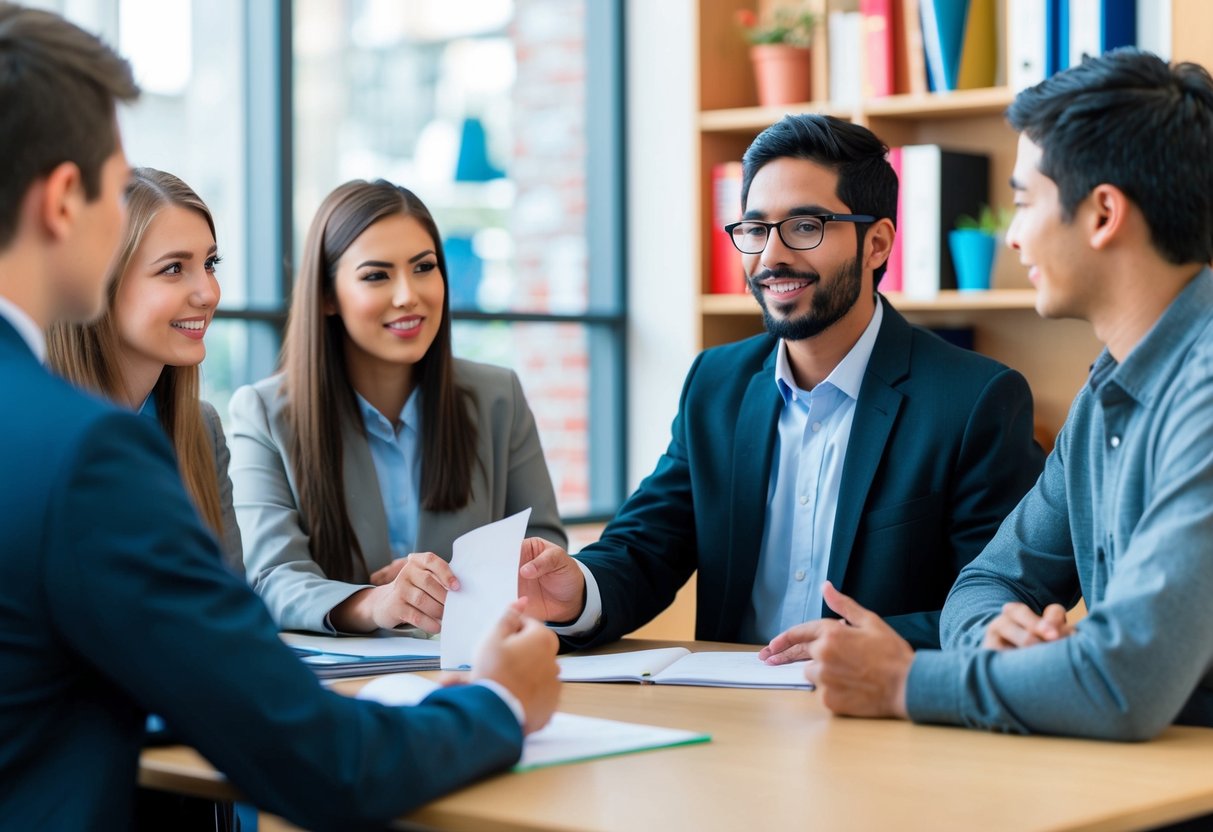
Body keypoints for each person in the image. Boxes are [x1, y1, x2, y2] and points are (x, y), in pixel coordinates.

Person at [0, 5, 559, 829]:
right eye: (114, 194)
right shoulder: (82, 451)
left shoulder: (139, 435)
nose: (206, 292)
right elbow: (320, 761)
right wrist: (499, 703)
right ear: (60, 201)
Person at [761, 49, 1213, 741]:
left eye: (1025, 201)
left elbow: (1125, 682)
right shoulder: (1104, 397)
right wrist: (998, 640)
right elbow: (981, 586)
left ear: (1101, 216)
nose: (1011, 233)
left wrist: (900, 682)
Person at [517, 114, 1044, 650]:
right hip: (734, 715)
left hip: (881, 715)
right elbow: (646, 545)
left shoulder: (974, 400)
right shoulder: (716, 383)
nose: (771, 257)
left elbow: (998, 606)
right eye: (754, 229)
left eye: (805, 226)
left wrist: (869, 642)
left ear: (877, 244)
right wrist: (576, 591)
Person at [228, 178, 566, 635]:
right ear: (327, 296)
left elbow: (541, 555)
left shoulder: (498, 397)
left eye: (424, 267)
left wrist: (445, 586)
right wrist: (379, 602)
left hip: (471, 669)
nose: (408, 294)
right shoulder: (263, 413)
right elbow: (271, 578)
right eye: (376, 275)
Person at [47, 167, 242, 573]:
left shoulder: (200, 430)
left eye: (210, 263)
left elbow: (229, 604)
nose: (209, 293)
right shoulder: (34, 431)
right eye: (173, 268)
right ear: (99, 283)